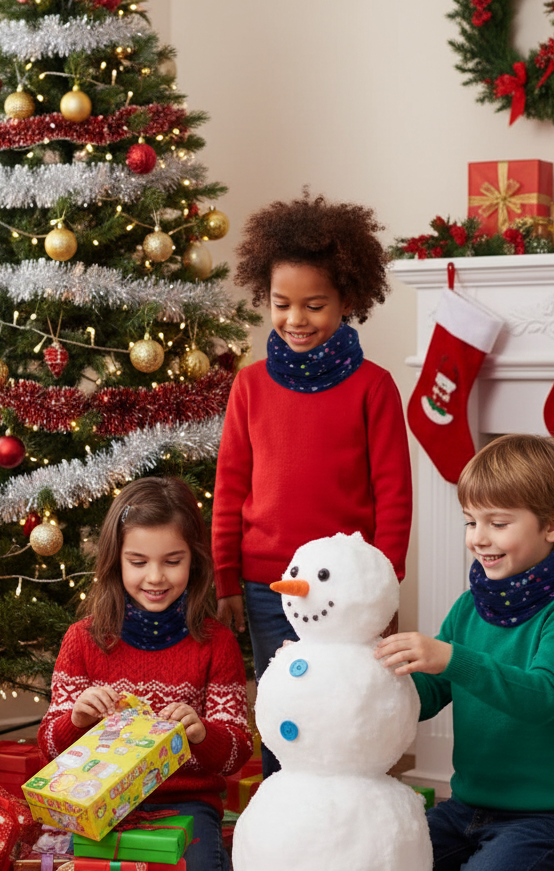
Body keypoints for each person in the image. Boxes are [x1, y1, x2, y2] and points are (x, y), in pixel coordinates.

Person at [213, 193, 412, 780]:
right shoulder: (248, 387)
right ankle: (286, 815)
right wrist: (227, 578)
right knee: (284, 713)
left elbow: (394, 498)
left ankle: (357, 821)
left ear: (347, 301)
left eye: (315, 305)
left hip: (352, 590)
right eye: (282, 304)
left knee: (354, 708)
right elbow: (229, 489)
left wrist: (386, 583)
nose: (296, 319)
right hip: (266, 582)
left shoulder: (374, 388)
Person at [376, 434, 554, 871]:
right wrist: (367, 675)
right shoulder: (471, 604)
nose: (478, 537)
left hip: (550, 815)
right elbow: (430, 694)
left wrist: (452, 658)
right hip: (468, 806)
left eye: (498, 523)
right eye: (471, 522)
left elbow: (542, 696)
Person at [39, 476, 253, 871]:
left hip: (185, 803)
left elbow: (236, 754)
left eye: (173, 561)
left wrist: (200, 733)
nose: (155, 577)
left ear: (195, 560)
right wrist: (77, 720)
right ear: (116, 560)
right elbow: (49, 745)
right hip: (98, 802)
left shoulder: (215, 642)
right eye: (138, 562)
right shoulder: (83, 640)